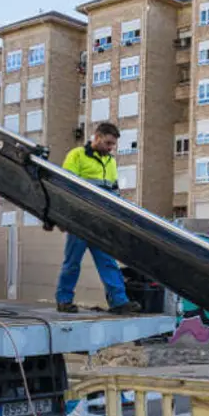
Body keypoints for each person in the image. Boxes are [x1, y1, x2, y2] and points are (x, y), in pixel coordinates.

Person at [55, 122, 140, 315]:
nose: (111, 148)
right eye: (108, 143)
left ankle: (119, 302)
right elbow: (66, 187)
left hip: (101, 223)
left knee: (108, 262)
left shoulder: (110, 162)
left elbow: (113, 192)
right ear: (97, 137)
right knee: (72, 262)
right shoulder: (76, 155)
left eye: (113, 145)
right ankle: (64, 300)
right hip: (80, 221)